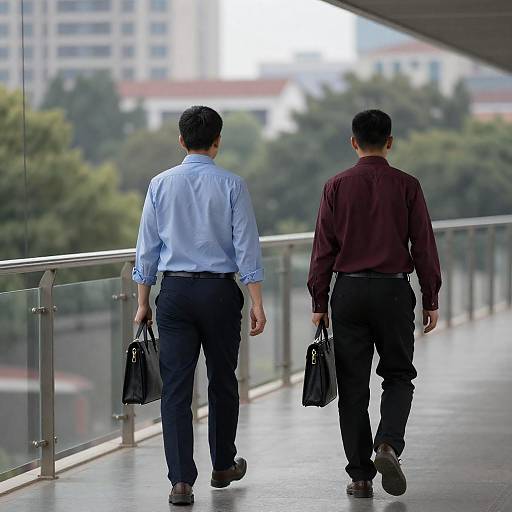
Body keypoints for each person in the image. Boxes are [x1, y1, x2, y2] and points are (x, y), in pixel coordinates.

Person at [132, 105, 266, 506]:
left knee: (176, 387)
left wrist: (143, 302)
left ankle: (180, 482)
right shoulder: (232, 185)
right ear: (217, 141)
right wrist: (257, 302)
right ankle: (223, 464)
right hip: (221, 294)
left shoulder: (159, 184)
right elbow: (246, 248)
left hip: (174, 294)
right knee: (223, 380)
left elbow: (147, 249)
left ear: (180, 140)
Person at [307, 109, 441, 499]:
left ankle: (361, 477)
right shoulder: (408, 185)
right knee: (398, 375)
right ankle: (387, 445)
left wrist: (319, 298)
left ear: (353, 142)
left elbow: (322, 249)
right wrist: (430, 295)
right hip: (394, 291)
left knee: (352, 388)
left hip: (347, 293)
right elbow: (424, 245)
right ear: (390, 141)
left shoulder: (335, 186)